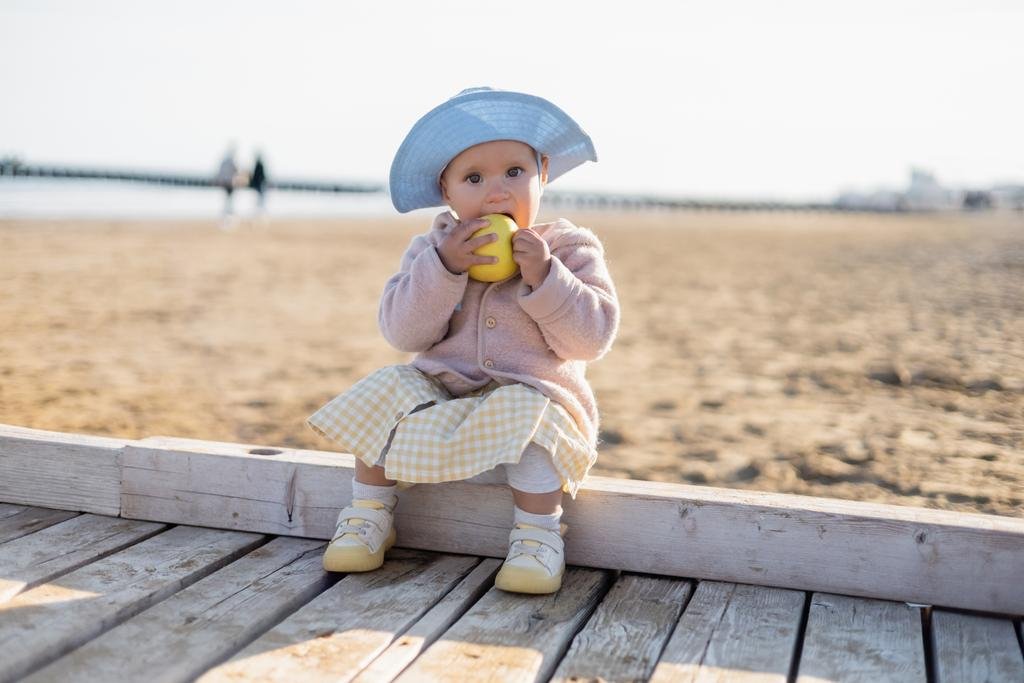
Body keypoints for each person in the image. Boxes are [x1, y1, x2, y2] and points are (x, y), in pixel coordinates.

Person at [306, 87, 619, 594]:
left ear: (542, 173)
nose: (497, 192)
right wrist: (445, 268)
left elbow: (592, 339)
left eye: (514, 172)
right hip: (444, 394)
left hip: (532, 394)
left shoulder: (567, 247)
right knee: (387, 389)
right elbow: (401, 332)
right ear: (447, 193)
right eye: (474, 178)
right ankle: (369, 513)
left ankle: (537, 536)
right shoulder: (433, 249)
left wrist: (545, 276)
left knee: (533, 416)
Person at [215, 146, 238, 217]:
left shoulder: (225, 161)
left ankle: (227, 212)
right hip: (230, 183)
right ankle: (228, 212)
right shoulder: (231, 161)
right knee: (229, 199)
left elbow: (220, 172)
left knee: (227, 198)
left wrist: (220, 180)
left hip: (226, 182)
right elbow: (235, 170)